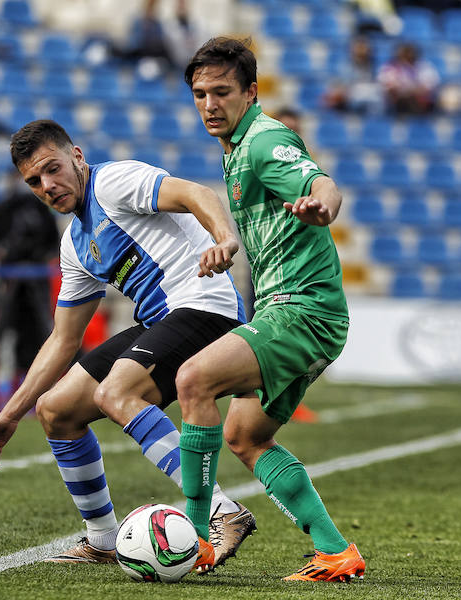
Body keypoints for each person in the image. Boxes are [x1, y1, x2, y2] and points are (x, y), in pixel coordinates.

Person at [0, 119, 255, 572]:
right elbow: (63, 340)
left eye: (52, 169)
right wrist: (10, 415)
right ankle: (102, 540)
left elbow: (197, 194)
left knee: (116, 392)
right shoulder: (74, 244)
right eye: (33, 181)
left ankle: (221, 510)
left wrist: (225, 238)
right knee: (56, 410)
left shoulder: (114, 182)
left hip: (206, 304)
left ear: (77, 157)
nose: (47, 185)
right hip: (161, 320)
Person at [177, 36, 365, 582]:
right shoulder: (235, 146)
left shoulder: (263, 140)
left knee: (193, 381)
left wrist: (321, 206)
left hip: (301, 310)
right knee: (244, 436)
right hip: (300, 313)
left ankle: (194, 540)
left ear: (251, 92)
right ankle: (335, 551)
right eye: (199, 94)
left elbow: (321, 183)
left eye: (221, 92)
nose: (209, 104)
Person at [0, 169, 60, 414]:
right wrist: (1, 253)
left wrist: (41, 259)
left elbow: (54, 242)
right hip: (9, 283)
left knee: (37, 335)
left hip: (36, 282)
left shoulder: (41, 208)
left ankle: (29, 391)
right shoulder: (4, 206)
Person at [323, 36, 383, 114]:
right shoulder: (345, 67)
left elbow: (379, 84)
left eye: (364, 47)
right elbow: (339, 86)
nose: (361, 50)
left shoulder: (376, 66)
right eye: (359, 47)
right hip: (352, 97)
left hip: (371, 97)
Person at [377, 42, 440, 114]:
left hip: (420, 101)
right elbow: (389, 87)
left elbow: (429, 87)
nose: (407, 56)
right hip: (397, 102)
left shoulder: (424, 66)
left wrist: (410, 90)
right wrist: (408, 90)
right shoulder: (390, 68)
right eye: (404, 54)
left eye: (409, 53)